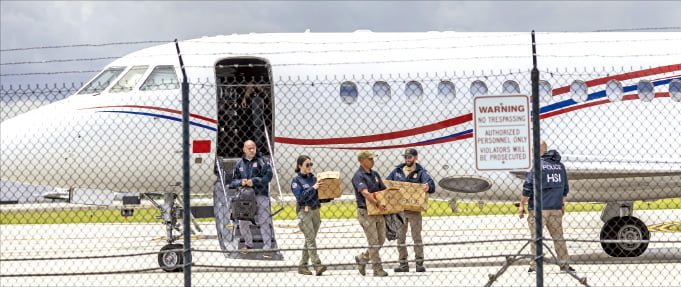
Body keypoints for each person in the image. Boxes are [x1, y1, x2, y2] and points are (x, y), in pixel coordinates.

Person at [518, 140, 574, 273]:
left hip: (538, 209)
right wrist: (561, 204)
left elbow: (528, 187)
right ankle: (564, 264)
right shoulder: (560, 166)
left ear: (536, 151)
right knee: (559, 237)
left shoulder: (537, 166)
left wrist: (521, 204)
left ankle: (535, 265)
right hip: (555, 208)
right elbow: (565, 188)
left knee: (536, 238)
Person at [386, 148, 435, 273]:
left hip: (414, 210)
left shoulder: (421, 172)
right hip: (400, 210)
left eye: (410, 157)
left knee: (416, 237)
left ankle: (419, 263)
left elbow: (431, 184)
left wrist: (427, 186)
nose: (407, 159)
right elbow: (386, 183)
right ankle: (403, 264)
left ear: (416, 157)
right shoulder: (397, 172)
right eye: (406, 157)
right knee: (400, 238)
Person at [229, 140, 274, 257]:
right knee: (242, 222)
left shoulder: (263, 161)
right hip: (245, 198)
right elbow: (233, 181)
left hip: (260, 195)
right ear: (244, 149)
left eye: (253, 148)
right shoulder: (239, 164)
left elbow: (268, 177)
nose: (252, 150)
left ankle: (267, 247)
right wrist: (241, 182)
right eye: (249, 148)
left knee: (264, 220)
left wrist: (254, 181)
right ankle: (248, 243)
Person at [291, 155, 331, 276]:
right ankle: (317, 265)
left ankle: (302, 265)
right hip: (304, 211)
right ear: (300, 166)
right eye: (307, 165)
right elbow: (300, 197)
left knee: (310, 240)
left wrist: (329, 195)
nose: (310, 167)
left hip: (316, 211)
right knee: (310, 239)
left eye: (311, 164)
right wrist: (313, 188)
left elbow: (320, 197)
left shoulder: (314, 178)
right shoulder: (296, 181)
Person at [351, 150, 389, 277]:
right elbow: (365, 193)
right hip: (366, 212)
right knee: (373, 241)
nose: (373, 161)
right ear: (363, 161)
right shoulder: (358, 176)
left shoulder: (375, 174)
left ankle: (363, 258)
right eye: (370, 159)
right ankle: (377, 269)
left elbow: (383, 190)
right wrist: (378, 203)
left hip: (378, 211)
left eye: (373, 158)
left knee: (381, 240)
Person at [242, 82, 267, 149]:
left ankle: (258, 146)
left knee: (257, 124)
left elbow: (252, 85)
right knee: (256, 124)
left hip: (258, 98)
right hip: (256, 98)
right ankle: (257, 145)